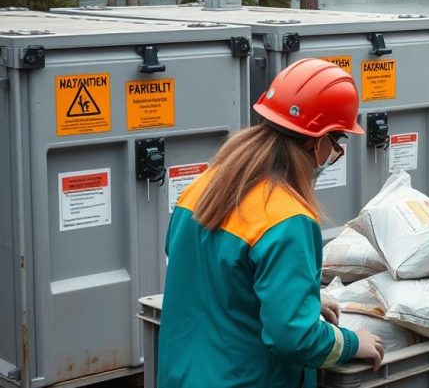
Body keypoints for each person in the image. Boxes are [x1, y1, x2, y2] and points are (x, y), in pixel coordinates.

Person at [159, 58, 384, 387]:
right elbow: (295, 337)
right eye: (336, 146)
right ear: (316, 141)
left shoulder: (205, 186)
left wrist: (294, 296)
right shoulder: (287, 218)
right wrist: (351, 343)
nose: (330, 157)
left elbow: (211, 277)